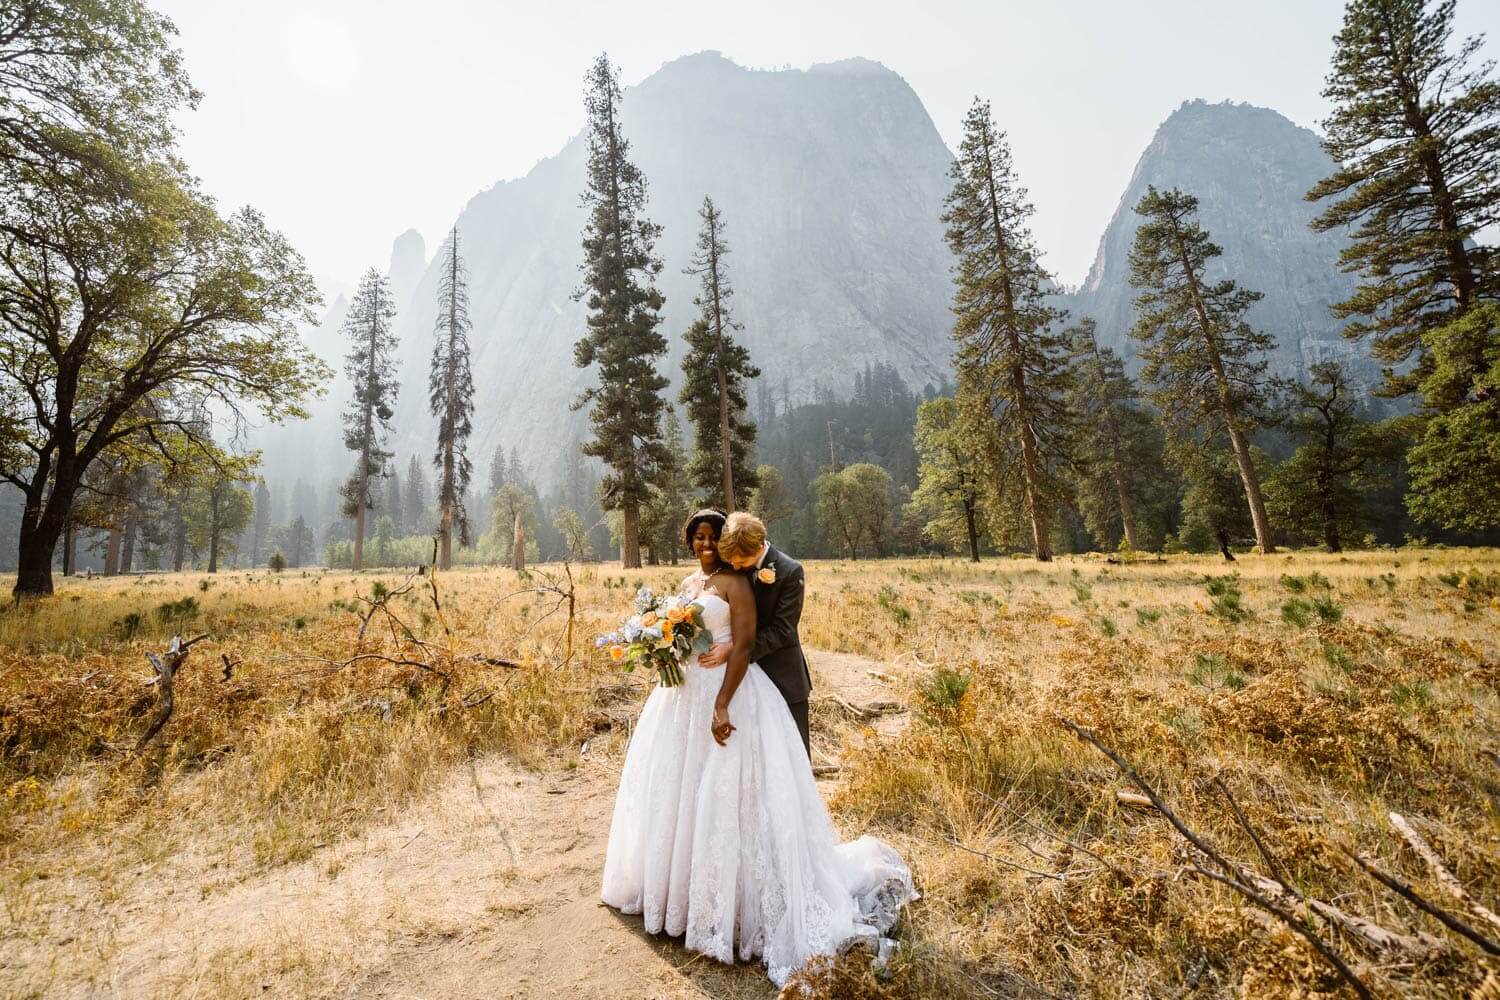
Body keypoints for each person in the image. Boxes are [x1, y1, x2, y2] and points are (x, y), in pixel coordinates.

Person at [599, 508, 915, 987]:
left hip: (772, 682)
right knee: (684, 792)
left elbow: (775, 633)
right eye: (701, 539)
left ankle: (765, 888)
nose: (715, 551)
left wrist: (728, 659)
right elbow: (689, 627)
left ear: (748, 547)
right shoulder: (696, 580)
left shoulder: (779, 573)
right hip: (691, 696)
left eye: (718, 541)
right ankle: (680, 891)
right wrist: (665, 646)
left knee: (779, 784)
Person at [697, 512, 812, 757]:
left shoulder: (789, 572)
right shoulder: (733, 563)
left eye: (741, 562)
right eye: (732, 562)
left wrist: (734, 648)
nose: (735, 567)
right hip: (740, 680)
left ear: (759, 546)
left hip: (782, 675)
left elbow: (783, 630)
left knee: (793, 756)